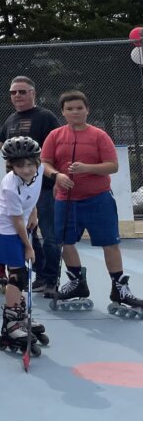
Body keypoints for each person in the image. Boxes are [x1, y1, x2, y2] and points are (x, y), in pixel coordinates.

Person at [43, 91, 141, 315]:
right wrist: (57, 176)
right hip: (65, 201)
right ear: (63, 112)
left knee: (110, 243)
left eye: (79, 108)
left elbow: (112, 166)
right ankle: (77, 282)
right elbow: (45, 163)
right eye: (69, 109)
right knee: (65, 242)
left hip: (98, 199)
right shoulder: (55, 136)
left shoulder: (99, 135)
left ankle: (119, 287)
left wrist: (87, 168)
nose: (75, 112)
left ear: (87, 110)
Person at [0, 76, 63, 294]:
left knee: (49, 235)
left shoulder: (45, 117)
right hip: (20, 190)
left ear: (33, 93)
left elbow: (56, 146)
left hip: (44, 187)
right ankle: (40, 276)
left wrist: (56, 176)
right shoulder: (11, 119)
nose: (17, 96)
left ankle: (51, 279)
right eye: (13, 92)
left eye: (22, 91)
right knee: (31, 233)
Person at [0, 137, 48, 353]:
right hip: (5, 228)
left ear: (37, 162)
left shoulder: (39, 172)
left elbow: (34, 195)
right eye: (20, 165)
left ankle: (20, 315)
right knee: (18, 274)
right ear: (11, 166)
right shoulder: (10, 186)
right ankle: (11, 324)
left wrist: (34, 212)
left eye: (30, 164)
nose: (27, 169)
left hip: (22, 221)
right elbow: (15, 221)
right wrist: (28, 246)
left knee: (21, 274)